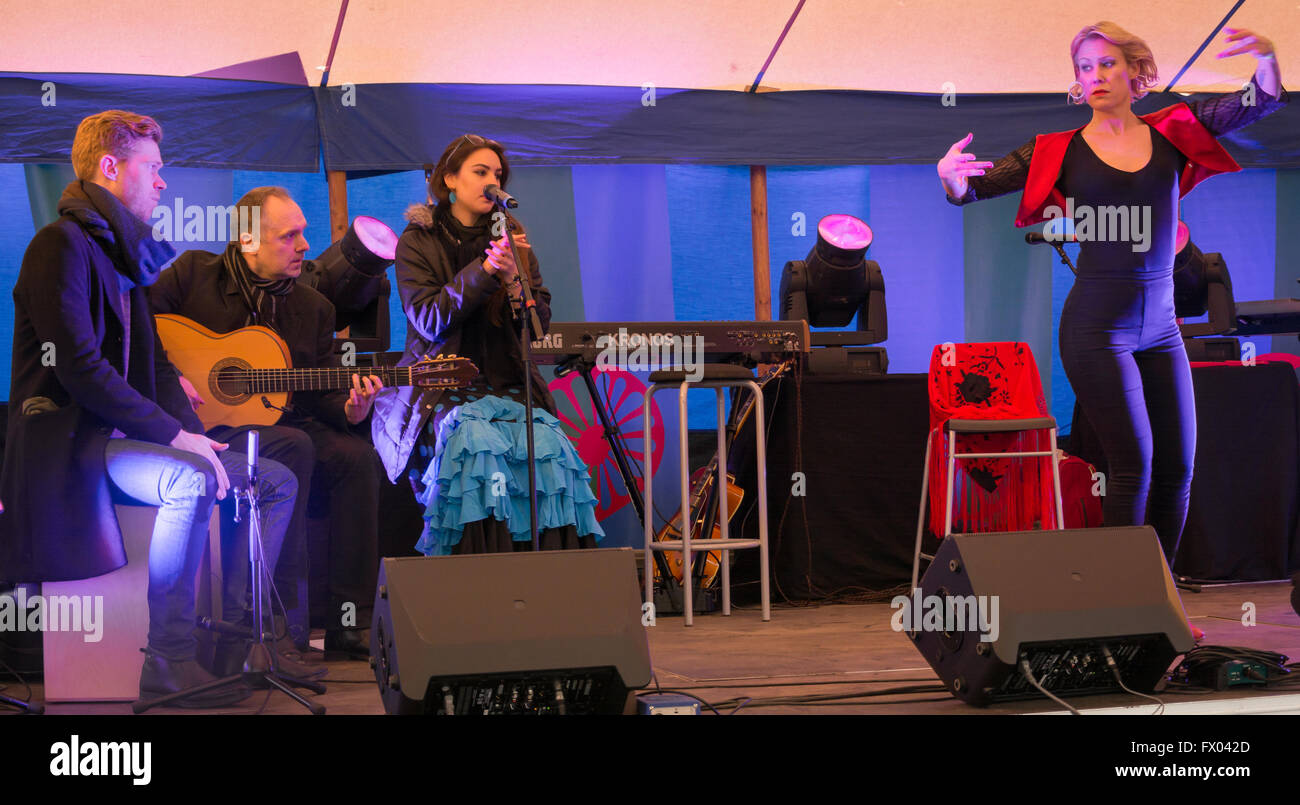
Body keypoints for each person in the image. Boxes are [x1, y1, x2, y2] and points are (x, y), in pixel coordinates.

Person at [938, 24, 1286, 607]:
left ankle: (1158, 598)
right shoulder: (1056, 150)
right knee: (1135, 465)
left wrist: (1269, 59)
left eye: (1105, 65)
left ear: (1135, 73)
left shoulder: (1173, 132)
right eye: (1083, 67)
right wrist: (951, 181)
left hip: (1162, 327)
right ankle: (1114, 604)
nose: (1094, 76)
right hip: (1097, 328)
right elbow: (976, 189)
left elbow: (1257, 102)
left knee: (1178, 465)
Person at [0, 111, 302, 705]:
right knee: (189, 480)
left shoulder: (123, 256)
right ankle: (169, 659)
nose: (163, 183)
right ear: (111, 168)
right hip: (73, 444)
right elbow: (79, 368)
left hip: (121, 441)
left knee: (273, 480)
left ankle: (236, 644)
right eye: (154, 169)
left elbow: (159, 367)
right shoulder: (57, 246)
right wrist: (176, 438)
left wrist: (193, 433)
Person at [148, 186, 386, 658]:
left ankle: (350, 620)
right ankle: (279, 619)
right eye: (289, 236)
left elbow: (323, 395)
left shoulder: (314, 307)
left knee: (358, 457)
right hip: (194, 427)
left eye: (303, 234)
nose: (303, 246)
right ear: (247, 240)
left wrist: (350, 409)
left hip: (279, 423)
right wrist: (173, 375)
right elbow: (136, 325)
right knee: (293, 445)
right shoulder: (193, 275)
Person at [371, 134, 602, 554]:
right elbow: (427, 319)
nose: (492, 181)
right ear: (450, 180)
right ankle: (479, 586)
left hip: (506, 383)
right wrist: (484, 269)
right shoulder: (417, 241)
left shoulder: (513, 240)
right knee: (475, 440)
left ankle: (552, 589)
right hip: (440, 387)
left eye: (497, 174)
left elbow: (536, 330)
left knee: (550, 445)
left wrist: (516, 279)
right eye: (480, 172)